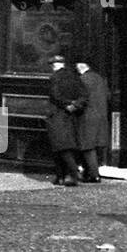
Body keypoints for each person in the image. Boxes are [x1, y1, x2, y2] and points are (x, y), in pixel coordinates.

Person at [45, 54, 87, 188]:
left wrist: (66, 105)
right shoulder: (74, 76)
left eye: (53, 65)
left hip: (57, 115)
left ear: (55, 65)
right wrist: (75, 106)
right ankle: (61, 176)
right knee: (67, 145)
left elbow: (55, 95)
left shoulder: (54, 78)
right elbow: (84, 95)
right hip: (73, 116)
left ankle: (70, 174)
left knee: (60, 147)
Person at [76, 61, 109, 182]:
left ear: (81, 66)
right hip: (100, 115)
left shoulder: (83, 79)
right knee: (94, 145)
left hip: (87, 117)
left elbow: (82, 98)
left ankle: (94, 175)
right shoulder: (99, 78)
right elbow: (108, 95)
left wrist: (72, 107)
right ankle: (89, 173)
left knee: (87, 147)